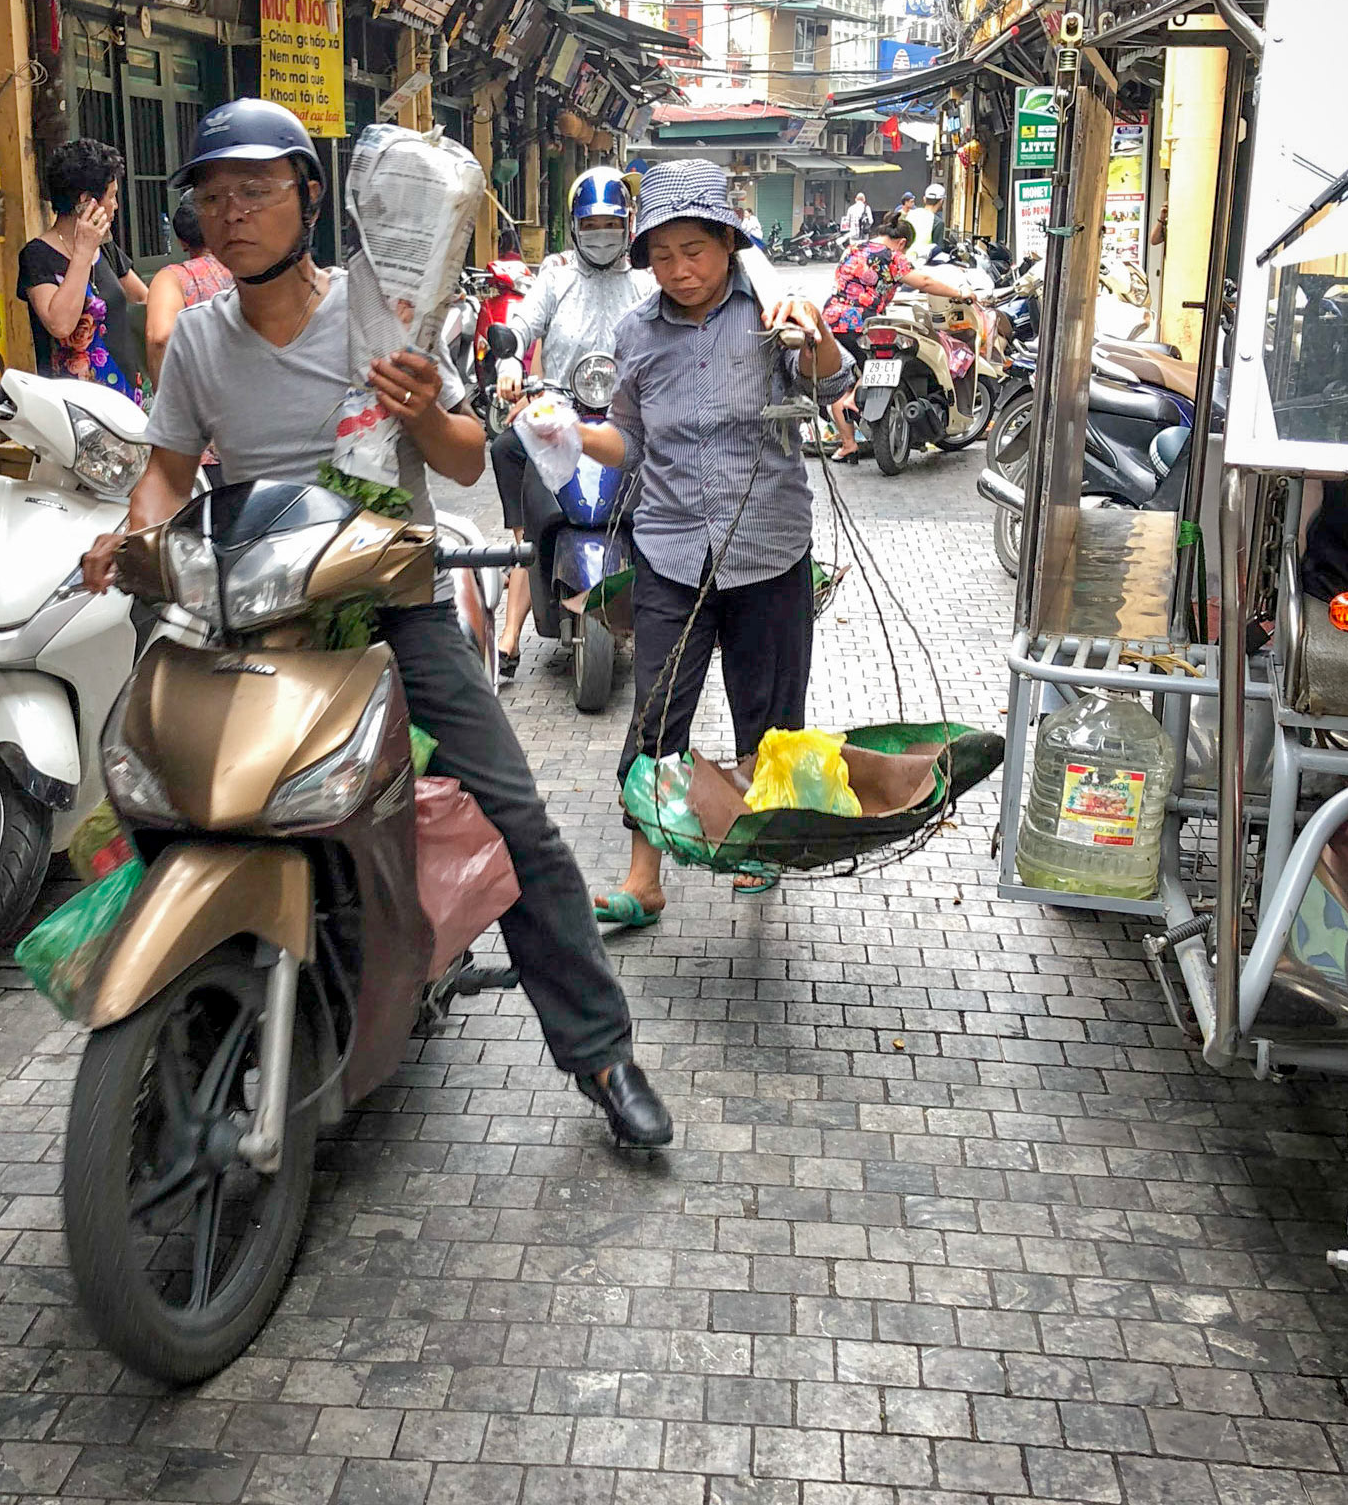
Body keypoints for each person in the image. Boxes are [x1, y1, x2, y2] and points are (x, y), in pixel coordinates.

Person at [81, 98, 672, 1149]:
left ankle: (600, 1053)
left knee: (513, 814)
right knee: (150, 779)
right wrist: (133, 540)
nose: (232, 214)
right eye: (212, 198)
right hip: (255, 614)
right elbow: (167, 472)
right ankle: (186, 1011)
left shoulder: (382, 308)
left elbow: (456, 461)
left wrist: (419, 410)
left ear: (310, 198)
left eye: (256, 191)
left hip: (392, 603)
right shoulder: (202, 343)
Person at [574, 160, 853, 921]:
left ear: (728, 243)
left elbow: (831, 385)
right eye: (661, 256)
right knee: (657, 712)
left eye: (694, 251)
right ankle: (644, 875)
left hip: (768, 543)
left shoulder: (770, 310)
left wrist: (816, 333)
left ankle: (761, 846)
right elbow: (628, 440)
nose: (679, 270)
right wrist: (570, 434)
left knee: (767, 712)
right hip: (668, 547)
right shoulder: (636, 333)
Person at [492, 166, 654, 679]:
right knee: (506, 452)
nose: (601, 234)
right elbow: (521, 325)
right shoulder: (556, 276)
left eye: (611, 223)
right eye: (591, 225)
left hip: (630, 418)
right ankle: (509, 633)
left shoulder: (645, 283)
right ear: (574, 227)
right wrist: (509, 362)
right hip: (559, 412)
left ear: (627, 225)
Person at [822, 215, 969, 462]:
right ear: (901, 243)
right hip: (861, 322)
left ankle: (848, 445)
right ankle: (853, 401)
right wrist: (959, 293)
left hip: (832, 319)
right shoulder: (891, 256)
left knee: (843, 381)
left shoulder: (854, 247)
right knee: (874, 366)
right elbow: (923, 282)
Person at [18, 140, 150, 403]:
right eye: (111, 196)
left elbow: (142, 298)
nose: (115, 205)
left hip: (125, 394)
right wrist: (82, 252)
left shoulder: (107, 248)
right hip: (74, 406)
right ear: (86, 201)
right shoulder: (37, 255)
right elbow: (60, 324)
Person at [143, 192, 231, 387]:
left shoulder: (173, 278)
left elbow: (160, 338)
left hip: (200, 395)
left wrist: (164, 400)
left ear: (182, 241)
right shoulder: (246, 268)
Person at [909, 181, 947, 253]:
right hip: (925, 261)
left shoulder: (910, 214)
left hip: (905, 260)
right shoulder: (937, 222)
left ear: (924, 199)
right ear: (941, 201)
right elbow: (938, 248)